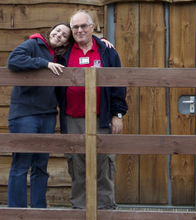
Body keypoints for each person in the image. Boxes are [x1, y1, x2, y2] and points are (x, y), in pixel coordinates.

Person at [7, 22, 114, 208]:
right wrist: (44, 63)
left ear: (66, 42)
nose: (59, 35)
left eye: (64, 35)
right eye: (57, 31)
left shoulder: (59, 54)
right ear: (50, 31)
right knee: (21, 164)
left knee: (41, 166)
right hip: (25, 114)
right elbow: (13, 60)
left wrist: (101, 41)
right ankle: (17, 212)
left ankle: (39, 210)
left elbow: (85, 41)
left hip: (48, 114)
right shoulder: (34, 44)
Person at [57, 10, 128, 209]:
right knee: (77, 164)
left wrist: (118, 114)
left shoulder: (107, 51)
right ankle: (80, 208)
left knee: (104, 163)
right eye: (75, 27)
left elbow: (119, 85)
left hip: (102, 117)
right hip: (72, 117)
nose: (79, 30)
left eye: (83, 26)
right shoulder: (63, 53)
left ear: (92, 27)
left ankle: (105, 208)